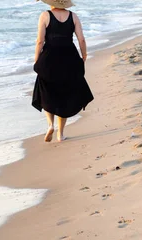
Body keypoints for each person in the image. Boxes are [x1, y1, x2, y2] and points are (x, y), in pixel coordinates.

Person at [32, 0, 94, 142]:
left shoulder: (45, 15)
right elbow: (81, 39)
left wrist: (37, 60)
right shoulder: (73, 16)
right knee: (65, 94)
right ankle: (60, 134)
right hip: (69, 57)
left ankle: (50, 125)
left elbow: (40, 41)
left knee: (47, 91)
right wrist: (84, 55)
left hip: (49, 58)